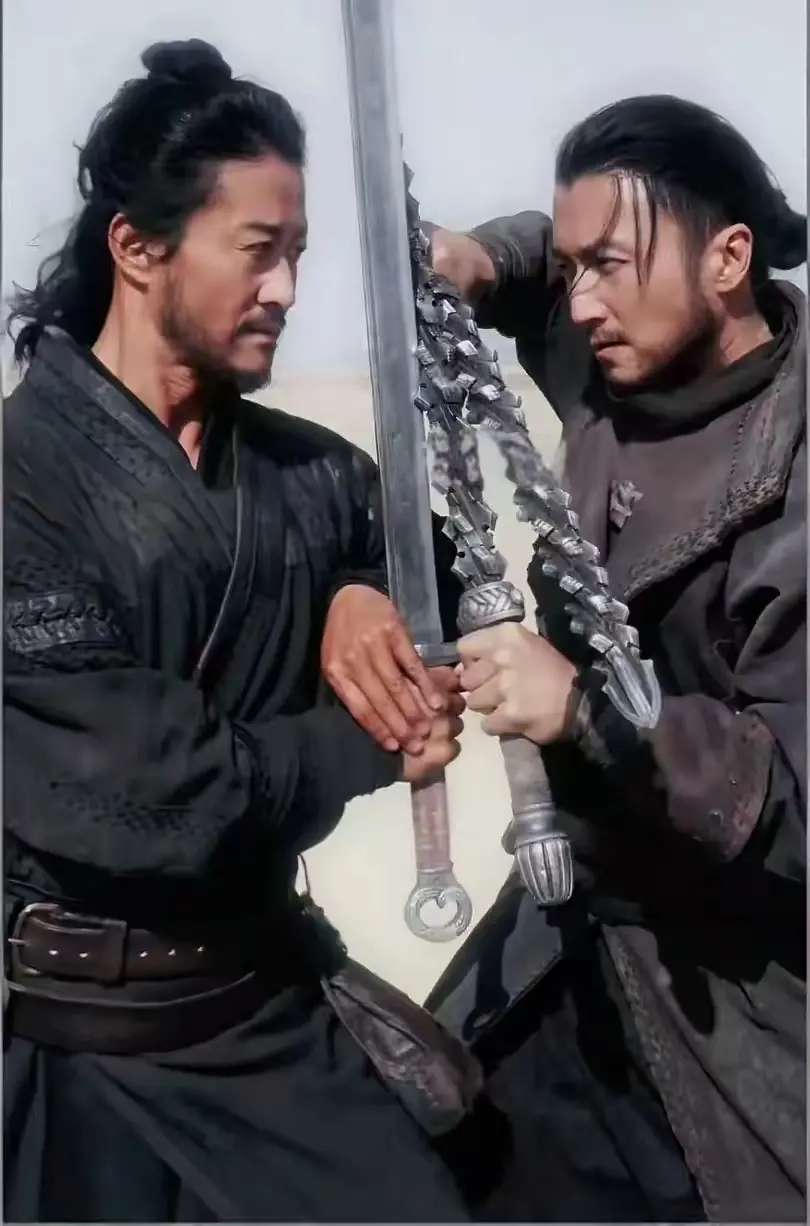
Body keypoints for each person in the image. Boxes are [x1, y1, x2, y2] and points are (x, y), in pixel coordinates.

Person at [3, 39, 475, 1223]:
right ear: (138, 248)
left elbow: (438, 574)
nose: (288, 289)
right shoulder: (19, 485)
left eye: (299, 253)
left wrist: (362, 587)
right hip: (86, 1044)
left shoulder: (309, 476)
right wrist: (373, 737)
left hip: (273, 1017)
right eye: (259, 250)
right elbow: (154, 786)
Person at [416, 95, 807, 1223]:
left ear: (728, 259)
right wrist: (481, 259)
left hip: (729, 990)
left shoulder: (794, 481)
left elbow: (796, 805)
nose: (580, 301)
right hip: (571, 925)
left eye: (610, 267)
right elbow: (552, 258)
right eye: (575, 266)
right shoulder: (624, 342)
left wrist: (586, 711)